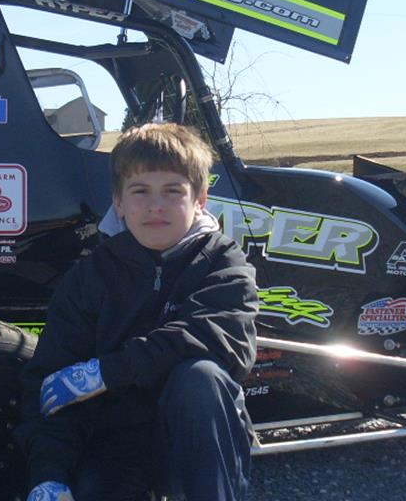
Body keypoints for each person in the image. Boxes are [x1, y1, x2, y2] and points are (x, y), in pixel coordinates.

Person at [17, 123, 259, 501]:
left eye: (173, 191)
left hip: (195, 442)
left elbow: (220, 340)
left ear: (200, 200)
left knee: (201, 376)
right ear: (118, 201)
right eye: (140, 191)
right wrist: (49, 476)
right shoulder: (89, 276)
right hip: (115, 441)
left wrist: (107, 371)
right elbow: (50, 383)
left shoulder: (223, 261)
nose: (155, 205)